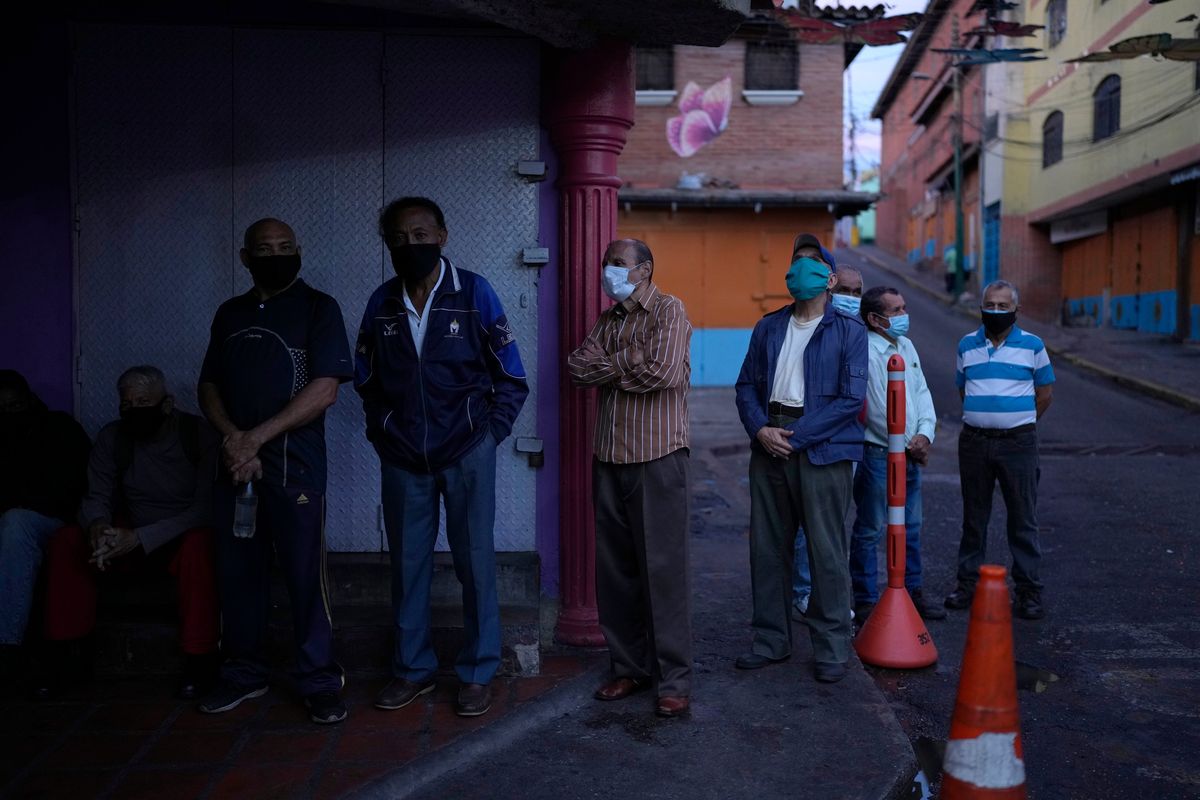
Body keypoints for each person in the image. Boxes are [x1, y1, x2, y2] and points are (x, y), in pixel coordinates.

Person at [356, 197, 528, 718]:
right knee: (408, 568)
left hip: (466, 453)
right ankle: (413, 670)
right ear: (388, 244)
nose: (412, 245)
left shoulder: (474, 293)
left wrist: (489, 436)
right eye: (400, 238)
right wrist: (384, 432)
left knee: (475, 563)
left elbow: (512, 377)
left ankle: (477, 671)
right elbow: (366, 380)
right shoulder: (381, 302)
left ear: (443, 236)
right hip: (403, 457)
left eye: (421, 234)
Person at [197, 218, 353, 724]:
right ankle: (243, 673)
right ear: (245, 257)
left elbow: (326, 388)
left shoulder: (318, 308)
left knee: (306, 577)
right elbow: (209, 386)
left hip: (295, 468)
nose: (275, 254)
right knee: (238, 575)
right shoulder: (230, 313)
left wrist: (254, 438)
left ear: (299, 252)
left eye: (285, 247)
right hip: (237, 468)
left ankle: (319, 680)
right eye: (264, 248)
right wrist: (232, 439)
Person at [567, 238, 693, 719]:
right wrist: (629, 360)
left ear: (644, 269)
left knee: (664, 572)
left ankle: (674, 679)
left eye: (617, 264)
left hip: (658, 457)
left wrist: (611, 368)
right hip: (610, 457)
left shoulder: (668, 310)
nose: (607, 271)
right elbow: (577, 369)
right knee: (615, 572)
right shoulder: (609, 319)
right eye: (605, 263)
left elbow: (661, 372)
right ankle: (629, 668)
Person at [734, 233, 867, 683]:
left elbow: (851, 400)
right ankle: (771, 641)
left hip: (821, 449)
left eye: (812, 261)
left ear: (829, 278)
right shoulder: (769, 326)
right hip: (770, 442)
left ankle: (831, 647)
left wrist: (795, 436)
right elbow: (746, 386)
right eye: (796, 261)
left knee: (827, 550)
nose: (800, 269)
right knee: (767, 550)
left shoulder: (849, 331)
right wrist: (760, 430)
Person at [41, 366, 220, 698]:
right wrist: (97, 528)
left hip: (176, 537)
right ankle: (67, 655)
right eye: (127, 405)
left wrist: (140, 538)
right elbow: (96, 496)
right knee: (67, 540)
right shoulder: (113, 438)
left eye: (144, 402)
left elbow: (204, 510)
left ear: (166, 404)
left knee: (201, 546)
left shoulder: (197, 435)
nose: (135, 411)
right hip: (129, 535)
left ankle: (200, 661)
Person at [945, 280, 1054, 620]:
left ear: (1015, 310)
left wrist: (1016, 421)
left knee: (1023, 519)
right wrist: (986, 418)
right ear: (981, 306)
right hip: (975, 442)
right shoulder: (967, 345)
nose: (995, 311)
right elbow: (964, 389)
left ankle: (1028, 592)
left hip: (1018, 444)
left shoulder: (1033, 346)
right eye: (990, 304)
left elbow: (1045, 393)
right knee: (974, 519)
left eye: (1003, 306)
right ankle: (967, 585)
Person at [848, 288, 945, 623]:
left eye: (905, 307)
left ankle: (912, 591)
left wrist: (924, 435)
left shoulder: (906, 346)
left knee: (912, 526)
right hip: (877, 455)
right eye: (896, 310)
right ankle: (865, 600)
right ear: (875, 319)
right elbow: (875, 406)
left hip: (909, 454)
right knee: (871, 528)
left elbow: (921, 392)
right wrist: (907, 443)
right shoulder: (865, 350)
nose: (904, 315)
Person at [0, 371, 90, 681]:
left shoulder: (59, 430)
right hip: (15, 518)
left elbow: (70, 490)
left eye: (14, 406)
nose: (9, 414)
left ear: (27, 400)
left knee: (15, 524)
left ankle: (7, 646)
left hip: (50, 520)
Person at [792, 265, 863, 619]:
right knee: (811, 527)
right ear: (831, 286)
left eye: (857, 291)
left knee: (841, 527)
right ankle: (806, 594)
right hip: (819, 443)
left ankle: (839, 601)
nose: (851, 297)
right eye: (845, 289)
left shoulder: (858, 333)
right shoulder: (810, 330)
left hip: (856, 445)